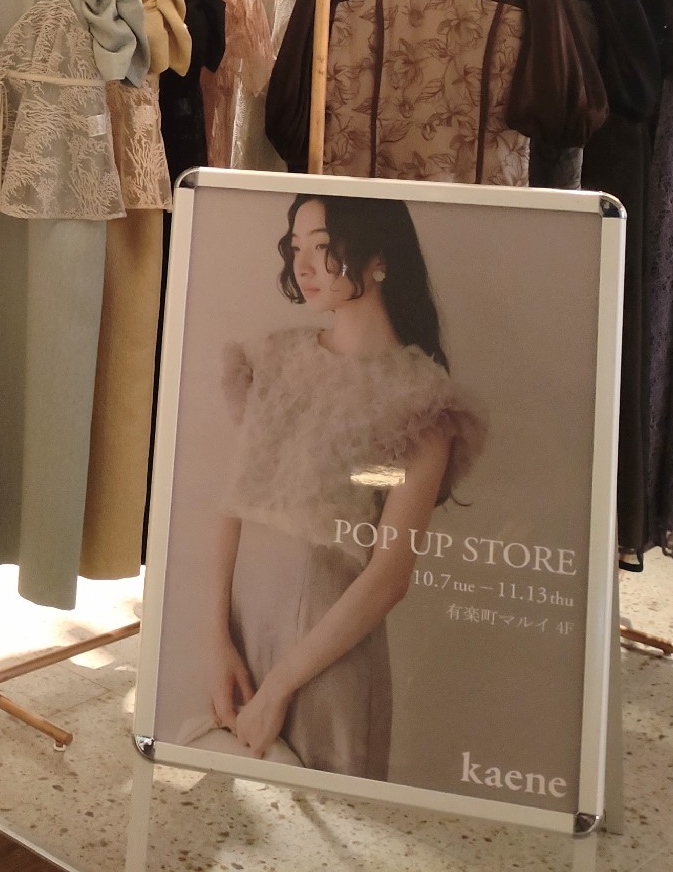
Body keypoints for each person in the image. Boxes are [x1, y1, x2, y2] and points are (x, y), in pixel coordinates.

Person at [197, 195, 486, 778]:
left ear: (379, 258)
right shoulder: (272, 359)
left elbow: (389, 576)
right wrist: (215, 641)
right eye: (295, 248)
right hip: (242, 635)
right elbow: (234, 504)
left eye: (323, 247)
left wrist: (280, 687)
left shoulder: (422, 401)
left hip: (328, 656)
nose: (303, 267)